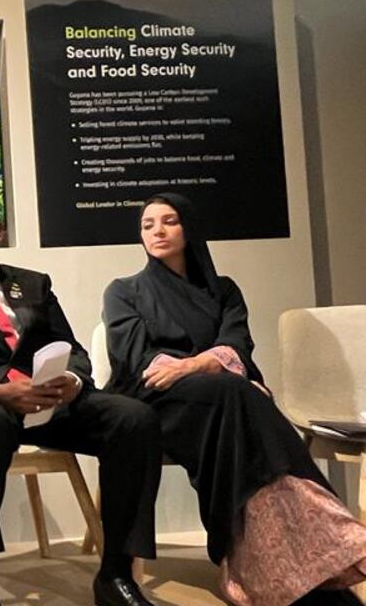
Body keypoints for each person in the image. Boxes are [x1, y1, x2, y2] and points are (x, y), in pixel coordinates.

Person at [0, 191, 162, 606]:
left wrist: (73, 380)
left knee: (134, 418)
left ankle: (115, 573)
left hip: (42, 402)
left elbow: (71, 347)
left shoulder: (32, 284)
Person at [103, 193, 366, 606]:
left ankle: (283, 558)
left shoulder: (223, 291)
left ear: (188, 227)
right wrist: (209, 367)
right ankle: (298, 548)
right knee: (239, 392)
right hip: (156, 404)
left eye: (168, 221)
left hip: (221, 406)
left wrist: (191, 366)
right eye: (147, 224)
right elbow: (138, 361)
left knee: (234, 393)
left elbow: (237, 344)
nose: (157, 231)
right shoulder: (124, 291)